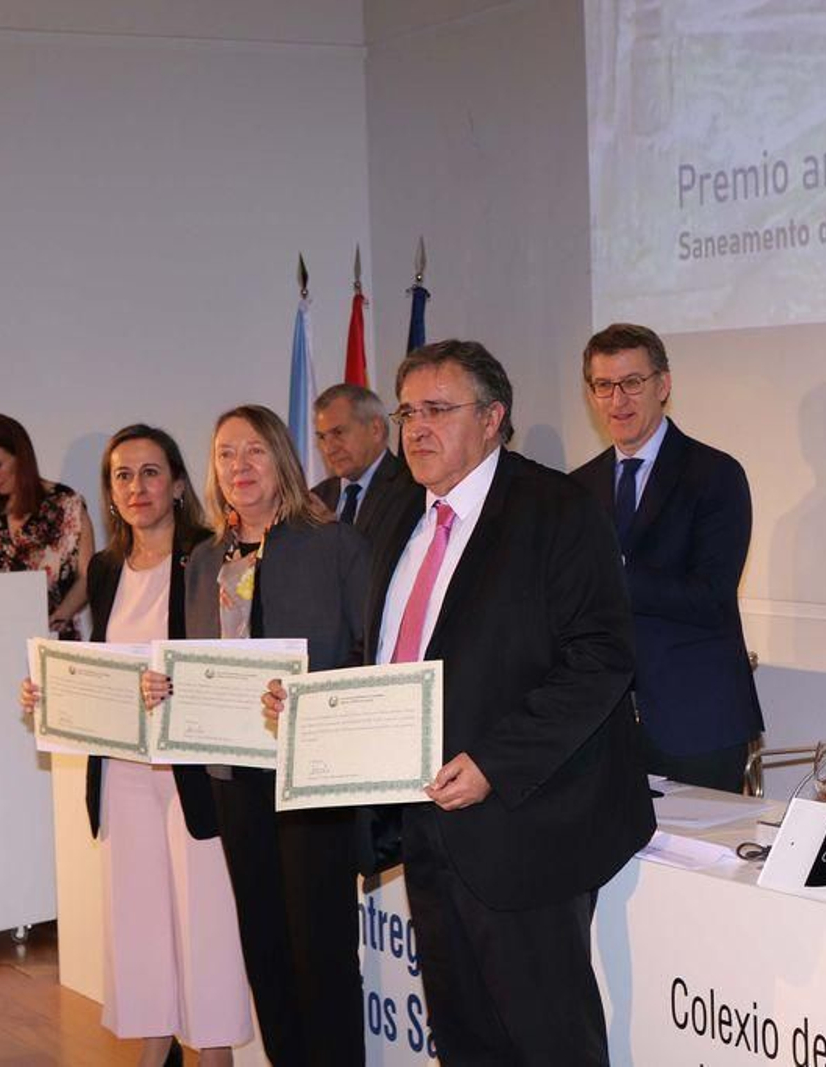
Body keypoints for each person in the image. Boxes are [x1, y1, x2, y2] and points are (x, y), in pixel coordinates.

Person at [270, 340, 654, 1064]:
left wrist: (493, 763)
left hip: (526, 827)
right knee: (466, 1040)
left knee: (548, 1042)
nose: (417, 427)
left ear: (492, 418)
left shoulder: (557, 509)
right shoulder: (397, 521)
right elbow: (384, 659)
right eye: (409, 410)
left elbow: (600, 660)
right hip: (427, 830)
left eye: (439, 409)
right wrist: (311, 712)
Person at [20, 425, 250, 1066]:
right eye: (123, 475)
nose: (136, 487)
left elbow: (230, 662)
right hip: (122, 769)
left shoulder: (211, 556)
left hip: (193, 771)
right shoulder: (104, 569)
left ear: (177, 484)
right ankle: (155, 1049)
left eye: (150, 472)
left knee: (203, 918)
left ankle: (213, 1055)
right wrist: (53, 696)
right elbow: (104, 666)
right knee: (140, 919)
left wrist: (178, 687)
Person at [150, 404, 368, 1067]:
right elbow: (197, 662)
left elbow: (370, 654)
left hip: (310, 778)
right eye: (224, 454)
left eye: (253, 452)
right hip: (233, 780)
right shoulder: (202, 559)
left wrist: (311, 697)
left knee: (320, 954)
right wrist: (165, 692)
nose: (238, 467)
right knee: (266, 949)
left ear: (282, 459)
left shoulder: (333, 545)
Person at [569, 323, 763, 792]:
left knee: (702, 866)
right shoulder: (575, 489)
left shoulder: (715, 474)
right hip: (603, 724)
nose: (619, 400)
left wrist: (613, 573)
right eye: (604, 386)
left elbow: (710, 595)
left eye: (632, 383)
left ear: (663, 385)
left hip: (697, 722)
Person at [0, 413, 93, 638]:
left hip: (54, 638)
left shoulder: (65, 504)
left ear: (21, 458)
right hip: (0, 637)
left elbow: (88, 575)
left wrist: (57, 619)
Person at [310, 381, 412, 538]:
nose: (329, 449)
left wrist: (333, 535)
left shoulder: (411, 488)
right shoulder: (318, 497)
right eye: (322, 437)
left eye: (338, 432)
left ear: (376, 430)